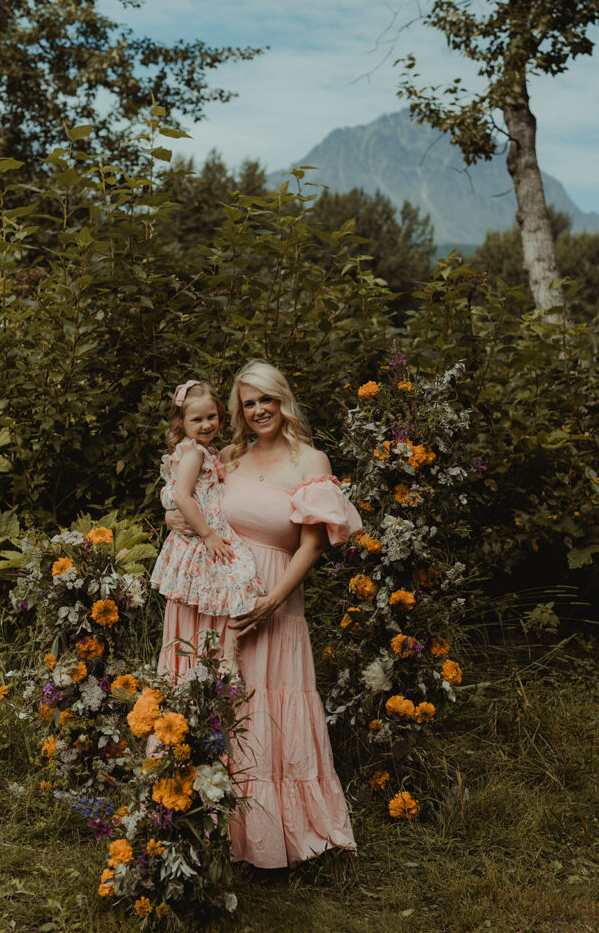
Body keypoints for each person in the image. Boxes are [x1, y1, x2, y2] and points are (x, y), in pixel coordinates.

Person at [162, 360, 362, 868]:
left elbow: (312, 547)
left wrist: (271, 602)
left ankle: (270, 832)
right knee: (216, 702)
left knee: (263, 710)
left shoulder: (311, 462)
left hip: (270, 601)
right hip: (213, 596)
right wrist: (174, 517)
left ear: (282, 401)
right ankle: (197, 822)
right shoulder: (228, 456)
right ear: (239, 411)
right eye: (248, 403)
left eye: (265, 400)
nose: (258, 411)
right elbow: (189, 500)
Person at [150, 379, 265, 671]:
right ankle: (227, 658)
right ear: (182, 421)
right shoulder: (194, 453)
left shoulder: (204, 451)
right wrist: (209, 535)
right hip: (202, 536)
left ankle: (225, 654)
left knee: (234, 584)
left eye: (211, 417)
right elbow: (182, 497)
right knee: (240, 578)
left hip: (206, 534)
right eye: (196, 419)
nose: (205, 425)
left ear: (220, 416)